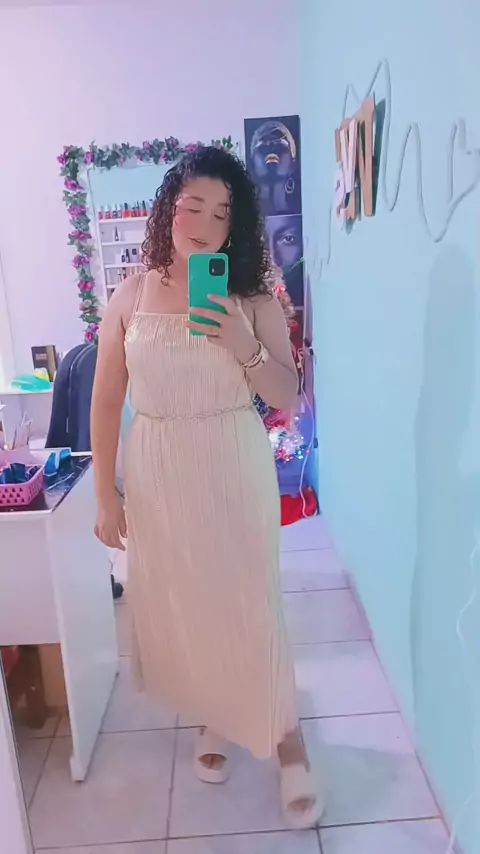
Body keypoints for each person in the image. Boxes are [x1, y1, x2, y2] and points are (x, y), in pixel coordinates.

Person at [91, 146, 322, 828]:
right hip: (158, 467)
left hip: (230, 457)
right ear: (168, 209)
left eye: (222, 213)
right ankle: (217, 714)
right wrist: (105, 494)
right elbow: (106, 400)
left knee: (250, 600)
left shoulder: (252, 297)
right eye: (193, 206)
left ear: (235, 225)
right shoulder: (130, 296)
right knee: (190, 600)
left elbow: (288, 396)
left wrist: (241, 344)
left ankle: (287, 738)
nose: (205, 224)